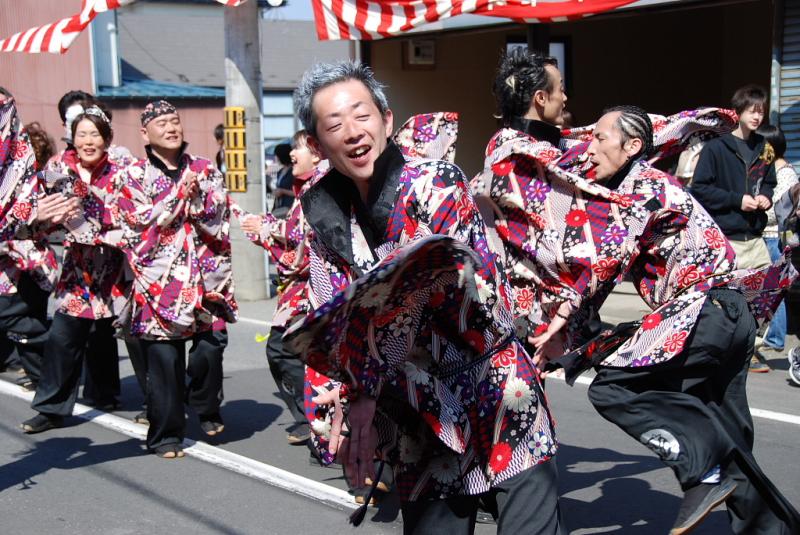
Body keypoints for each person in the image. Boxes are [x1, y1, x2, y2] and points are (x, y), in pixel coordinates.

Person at [283, 61, 562, 534]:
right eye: (334, 124)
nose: (353, 132)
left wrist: (366, 387)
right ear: (314, 143)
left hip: (495, 384)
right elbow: (330, 312)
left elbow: (426, 284)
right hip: (416, 405)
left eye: (362, 115)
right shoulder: (322, 213)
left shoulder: (436, 181)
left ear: (387, 121)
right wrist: (341, 400)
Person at [503, 104, 797, 534]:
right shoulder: (635, 188)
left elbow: (603, 263)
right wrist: (565, 329)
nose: (591, 147)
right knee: (727, 436)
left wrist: (561, 318)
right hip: (731, 316)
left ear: (633, 146)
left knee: (615, 387)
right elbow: (601, 274)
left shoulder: (640, 188)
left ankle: (701, 472)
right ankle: (770, 527)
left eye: (601, 138)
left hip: (706, 310)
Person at [114, 100, 236, 458]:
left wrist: (199, 203)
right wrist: (177, 197)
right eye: (162, 123)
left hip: (205, 278)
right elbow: (135, 225)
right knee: (164, 362)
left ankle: (203, 403)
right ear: (144, 133)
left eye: (175, 121)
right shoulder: (132, 176)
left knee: (210, 351)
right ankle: (166, 434)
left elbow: (220, 216)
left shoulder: (204, 168)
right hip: (159, 282)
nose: (171, 128)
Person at [20, 106, 131, 433]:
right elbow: (35, 214)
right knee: (64, 336)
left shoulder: (125, 168)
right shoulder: (56, 168)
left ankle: (139, 401)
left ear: (107, 138)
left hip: (118, 265)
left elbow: (138, 211)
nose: (87, 140)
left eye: (94, 134)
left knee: (127, 338)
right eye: (81, 134)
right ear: (72, 137)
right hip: (77, 270)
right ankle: (51, 408)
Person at [241, 129, 321, 446]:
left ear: (316, 152)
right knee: (286, 352)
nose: (292, 153)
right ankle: (311, 420)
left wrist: (264, 231)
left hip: (312, 292)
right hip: (300, 292)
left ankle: (315, 421)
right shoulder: (305, 187)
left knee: (283, 351)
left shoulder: (319, 190)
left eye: (299, 147)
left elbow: (301, 250)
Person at [690, 85, 777, 373]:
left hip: (755, 236)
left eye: (761, 111)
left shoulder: (765, 148)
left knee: (764, 295)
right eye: (752, 110)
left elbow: (769, 182)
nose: (757, 116)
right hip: (727, 237)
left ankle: (744, 347)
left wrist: (765, 195)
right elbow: (700, 189)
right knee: (727, 299)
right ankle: (731, 351)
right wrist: (737, 200)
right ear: (738, 112)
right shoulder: (716, 148)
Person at [0, 88, 74, 392]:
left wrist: (37, 213)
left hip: (26, 265)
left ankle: (58, 373)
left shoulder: (29, 169)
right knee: (23, 329)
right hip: (12, 264)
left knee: (21, 323)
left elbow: (67, 200)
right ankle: (51, 389)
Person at [757, 125, 797, 355]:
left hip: (775, 239)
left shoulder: (785, 174)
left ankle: (775, 338)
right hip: (767, 237)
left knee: (775, 290)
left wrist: (756, 206)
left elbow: (780, 211)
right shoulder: (771, 170)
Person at [271, 143, 294, 217]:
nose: (275, 158)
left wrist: (282, 191)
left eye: (276, 155)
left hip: (290, 207)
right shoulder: (280, 171)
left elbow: (299, 192)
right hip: (280, 206)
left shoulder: (294, 171)